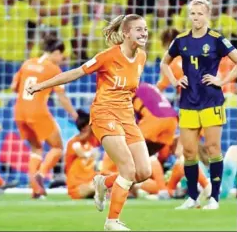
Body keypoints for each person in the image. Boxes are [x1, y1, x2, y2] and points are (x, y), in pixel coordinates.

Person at [27, 14, 151, 231]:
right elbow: (75, 73)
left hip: (126, 117)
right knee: (128, 169)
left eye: (146, 29)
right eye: (139, 29)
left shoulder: (141, 57)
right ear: (126, 33)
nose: (144, 33)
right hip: (104, 114)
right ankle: (112, 222)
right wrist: (41, 86)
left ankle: (103, 182)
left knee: (143, 172)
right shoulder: (108, 56)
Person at [160, 0, 237, 210]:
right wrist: (175, 80)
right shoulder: (181, 40)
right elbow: (163, 62)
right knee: (189, 152)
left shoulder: (216, 39)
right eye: (192, 13)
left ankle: (214, 198)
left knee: (213, 148)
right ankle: (192, 197)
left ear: (208, 15)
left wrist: (222, 81)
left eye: (200, 13)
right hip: (188, 102)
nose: (196, 17)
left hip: (211, 101)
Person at [11, 36, 78, 199]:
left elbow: (14, 87)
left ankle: (36, 189)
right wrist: (75, 115)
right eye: (62, 55)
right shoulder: (53, 69)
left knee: (36, 149)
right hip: (37, 111)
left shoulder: (27, 63)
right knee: (57, 147)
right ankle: (41, 174)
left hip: (19, 112)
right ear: (55, 52)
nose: (62, 59)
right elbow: (61, 97)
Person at [65, 109, 99, 199]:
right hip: (77, 185)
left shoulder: (92, 141)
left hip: (89, 180)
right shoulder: (73, 143)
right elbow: (82, 154)